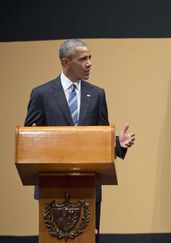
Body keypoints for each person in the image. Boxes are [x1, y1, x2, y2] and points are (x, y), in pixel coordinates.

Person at [24, 39, 135, 241]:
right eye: (83, 59)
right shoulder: (41, 94)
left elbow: (99, 137)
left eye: (90, 58)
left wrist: (117, 143)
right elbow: (30, 137)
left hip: (89, 185)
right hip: (52, 187)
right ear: (66, 62)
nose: (89, 63)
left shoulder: (97, 94)